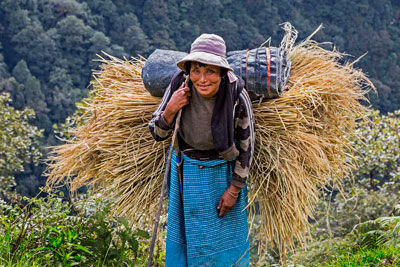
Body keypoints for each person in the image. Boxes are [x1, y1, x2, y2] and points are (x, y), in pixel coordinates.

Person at [149, 33, 255, 267]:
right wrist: (170, 109)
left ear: (222, 73)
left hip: (222, 174)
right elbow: (156, 132)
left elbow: (247, 148)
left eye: (210, 71)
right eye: (196, 70)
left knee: (223, 244)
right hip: (186, 172)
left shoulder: (237, 95)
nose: (202, 79)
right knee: (186, 240)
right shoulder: (180, 85)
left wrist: (234, 190)